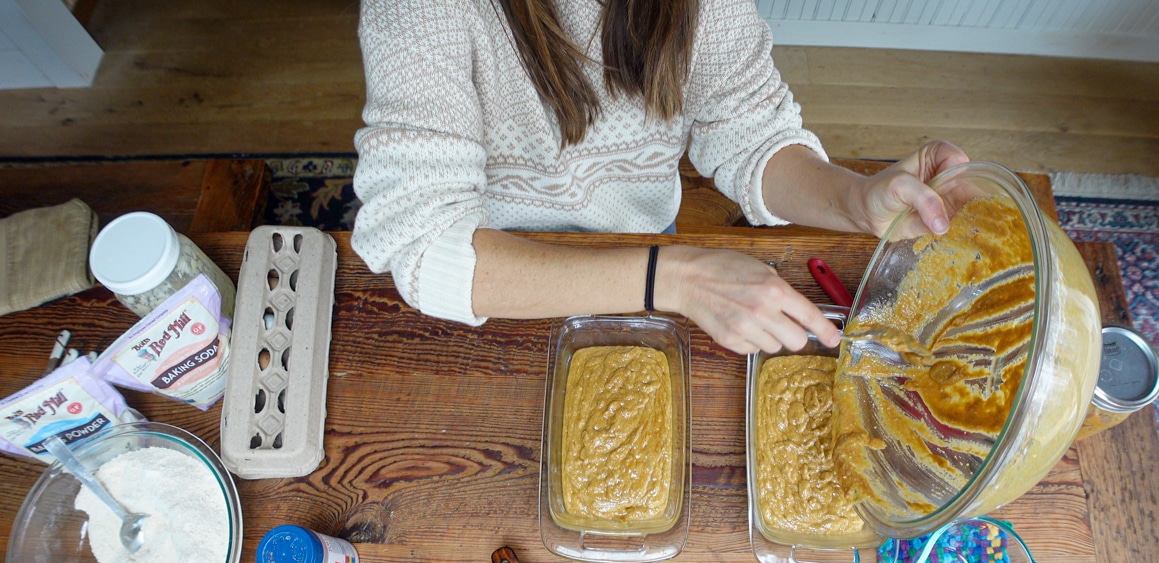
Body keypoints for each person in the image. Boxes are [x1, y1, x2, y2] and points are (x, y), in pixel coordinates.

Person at [351, 0, 969, 355]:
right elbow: (427, 247)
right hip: (502, 271)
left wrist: (857, 200)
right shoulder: (421, 10)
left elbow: (748, 126)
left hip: (651, 242)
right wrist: (672, 276)